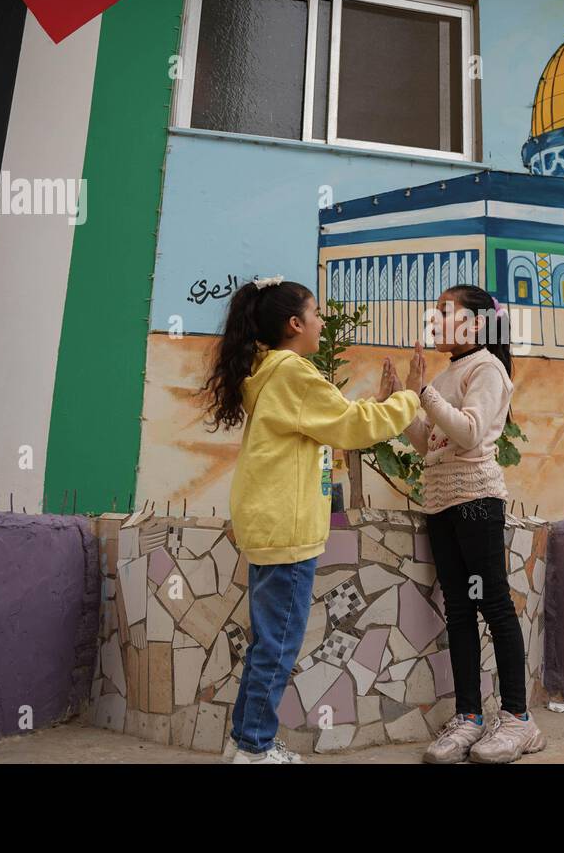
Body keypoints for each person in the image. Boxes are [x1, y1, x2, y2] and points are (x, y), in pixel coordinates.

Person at [203, 275, 418, 764]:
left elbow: (336, 421)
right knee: (278, 645)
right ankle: (254, 749)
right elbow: (352, 426)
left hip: (268, 524)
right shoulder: (292, 373)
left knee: (267, 642)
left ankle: (245, 741)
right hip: (287, 530)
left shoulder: (268, 372)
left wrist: (384, 405)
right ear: (295, 323)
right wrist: (409, 399)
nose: (323, 321)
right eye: (316, 313)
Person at [390, 283, 546, 763]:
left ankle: (519, 720)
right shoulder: (449, 371)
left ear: (477, 323)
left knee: (493, 605)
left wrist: (424, 394)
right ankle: (469, 717)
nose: (433, 320)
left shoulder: (488, 368)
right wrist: (402, 402)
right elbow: (432, 444)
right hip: (440, 500)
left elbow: (471, 431)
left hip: (476, 499)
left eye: (443, 312)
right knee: (459, 609)